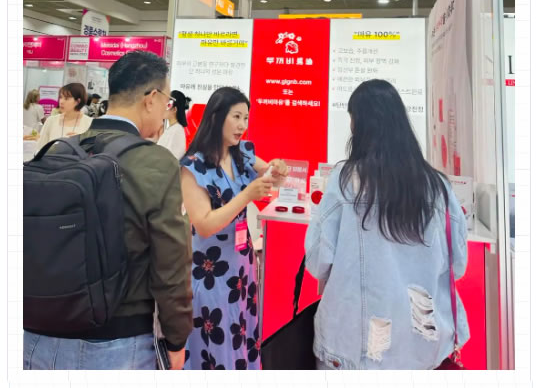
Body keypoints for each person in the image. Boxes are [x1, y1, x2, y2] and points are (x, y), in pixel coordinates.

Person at [23, 50, 193, 370]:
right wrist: (176, 339)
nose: (165, 110)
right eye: (167, 100)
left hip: (34, 337)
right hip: (116, 340)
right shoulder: (155, 162)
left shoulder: (59, 151)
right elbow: (171, 264)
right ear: (151, 99)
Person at [305, 79, 470, 370]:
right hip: (423, 346)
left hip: (353, 345)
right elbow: (457, 266)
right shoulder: (437, 186)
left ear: (360, 125)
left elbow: (318, 262)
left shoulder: (345, 182)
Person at [180, 87, 288, 370]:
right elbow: (204, 224)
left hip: (241, 264)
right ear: (217, 117)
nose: (242, 125)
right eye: (236, 116)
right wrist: (247, 195)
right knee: (215, 339)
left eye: (246, 118)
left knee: (242, 333)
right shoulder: (193, 166)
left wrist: (278, 169)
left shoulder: (242, 154)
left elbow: (271, 178)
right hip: (211, 270)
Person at [34, 83, 92, 151]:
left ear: (78, 101)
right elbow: (39, 148)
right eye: (61, 97)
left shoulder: (89, 123)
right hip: (52, 157)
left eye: (66, 98)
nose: (61, 101)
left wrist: (80, 142)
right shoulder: (51, 121)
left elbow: (91, 152)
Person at [158, 90, 189, 160]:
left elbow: (172, 159)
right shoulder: (172, 129)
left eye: (167, 105)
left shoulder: (177, 130)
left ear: (175, 109)